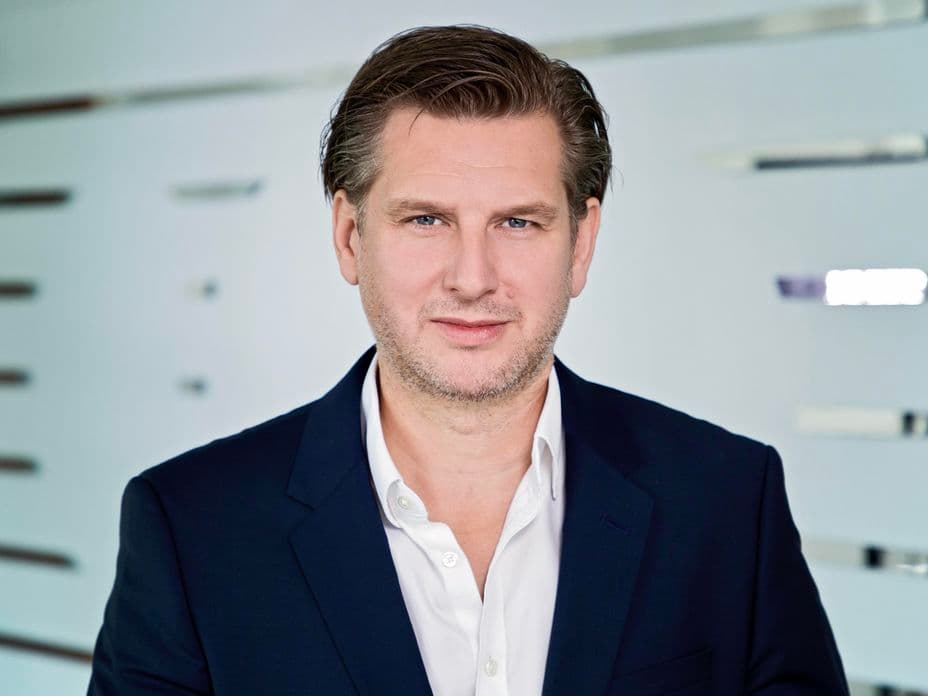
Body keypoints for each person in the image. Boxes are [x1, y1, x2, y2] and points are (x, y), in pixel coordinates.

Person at [88, 25, 849, 696]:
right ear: (350, 237)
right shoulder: (192, 528)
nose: (473, 278)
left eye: (518, 223)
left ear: (581, 244)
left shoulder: (725, 500)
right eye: (426, 219)